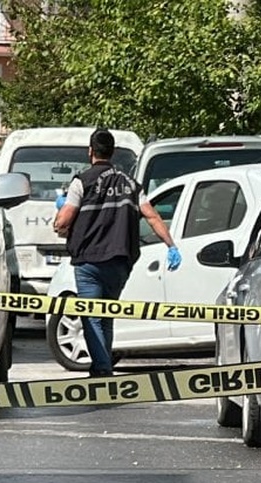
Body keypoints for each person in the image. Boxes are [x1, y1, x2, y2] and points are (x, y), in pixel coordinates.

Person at [53, 128, 182, 377]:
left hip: (89, 260)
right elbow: (152, 216)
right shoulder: (131, 184)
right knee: (107, 314)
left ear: (90, 151)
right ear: (111, 153)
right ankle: (103, 364)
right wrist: (171, 245)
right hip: (121, 260)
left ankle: (102, 369)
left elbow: (63, 221)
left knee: (91, 316)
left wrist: (60, 216)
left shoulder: (82, 181)